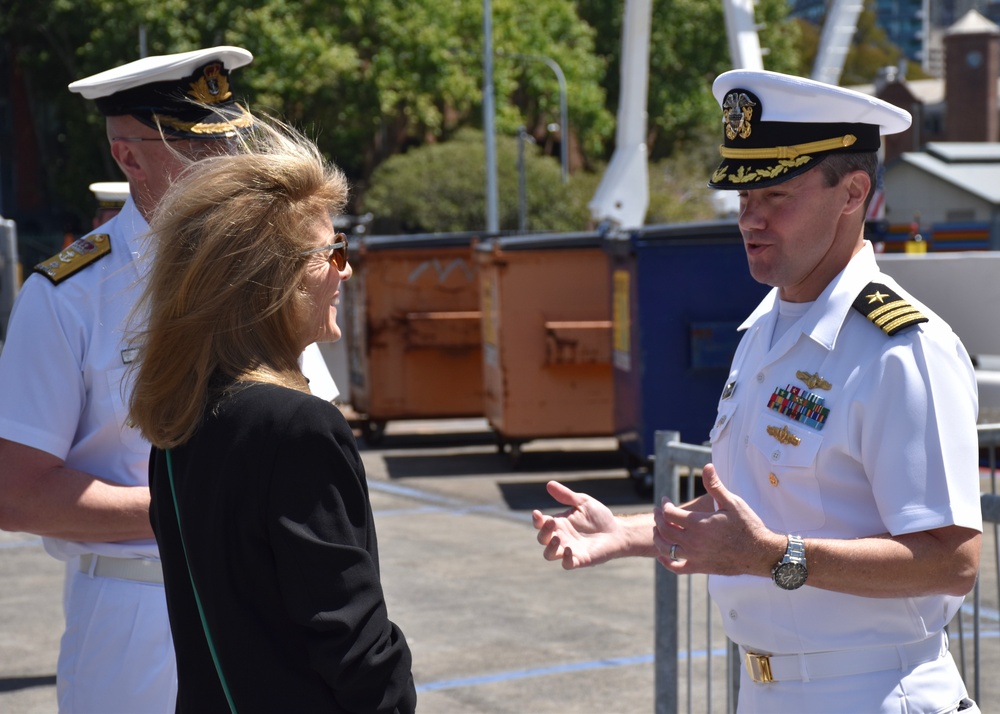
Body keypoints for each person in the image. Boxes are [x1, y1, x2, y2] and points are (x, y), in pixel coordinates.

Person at [532, 69, 983, 713]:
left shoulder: (902, 349)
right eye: (742, 195)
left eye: (776, 194)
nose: (750, 217)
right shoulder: (765, 330)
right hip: (765, 690)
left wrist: (776, 557)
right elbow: (760, 520)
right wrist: (629, 532)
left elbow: (951, 561)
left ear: (853, 192)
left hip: (873, 690)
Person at [126, 115, 416, 713]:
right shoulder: (298, 428)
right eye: (331, 251)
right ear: (272, 279)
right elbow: (355, 646)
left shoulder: (183, 421)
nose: (346, 269)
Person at [0, 46, 255, 712]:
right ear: (129, 158)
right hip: (141, 606)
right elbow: (17, 493)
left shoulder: (265, 270)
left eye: (232, 140)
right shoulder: (67, 296)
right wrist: (194, 512)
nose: (228, 162)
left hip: (264, 593)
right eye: (199, 148)